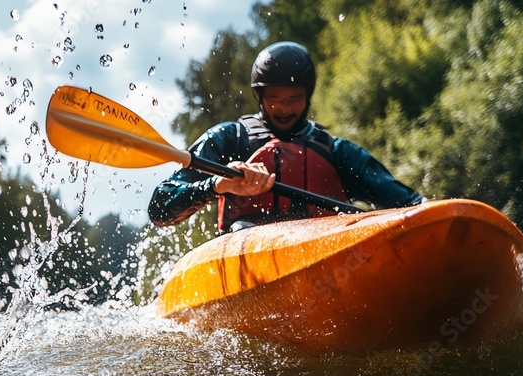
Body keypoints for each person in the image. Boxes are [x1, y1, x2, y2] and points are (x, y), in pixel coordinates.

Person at [148, 41, 426, 232]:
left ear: (308, 96)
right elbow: (160, 208)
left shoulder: (337, 152)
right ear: (259, 96)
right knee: (243, 228)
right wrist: (216, 185)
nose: (283, 108)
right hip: (244, 249)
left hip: (323, 252)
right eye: (274, 99)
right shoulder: (228, 139)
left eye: (294, 99)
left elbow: (411, 205)